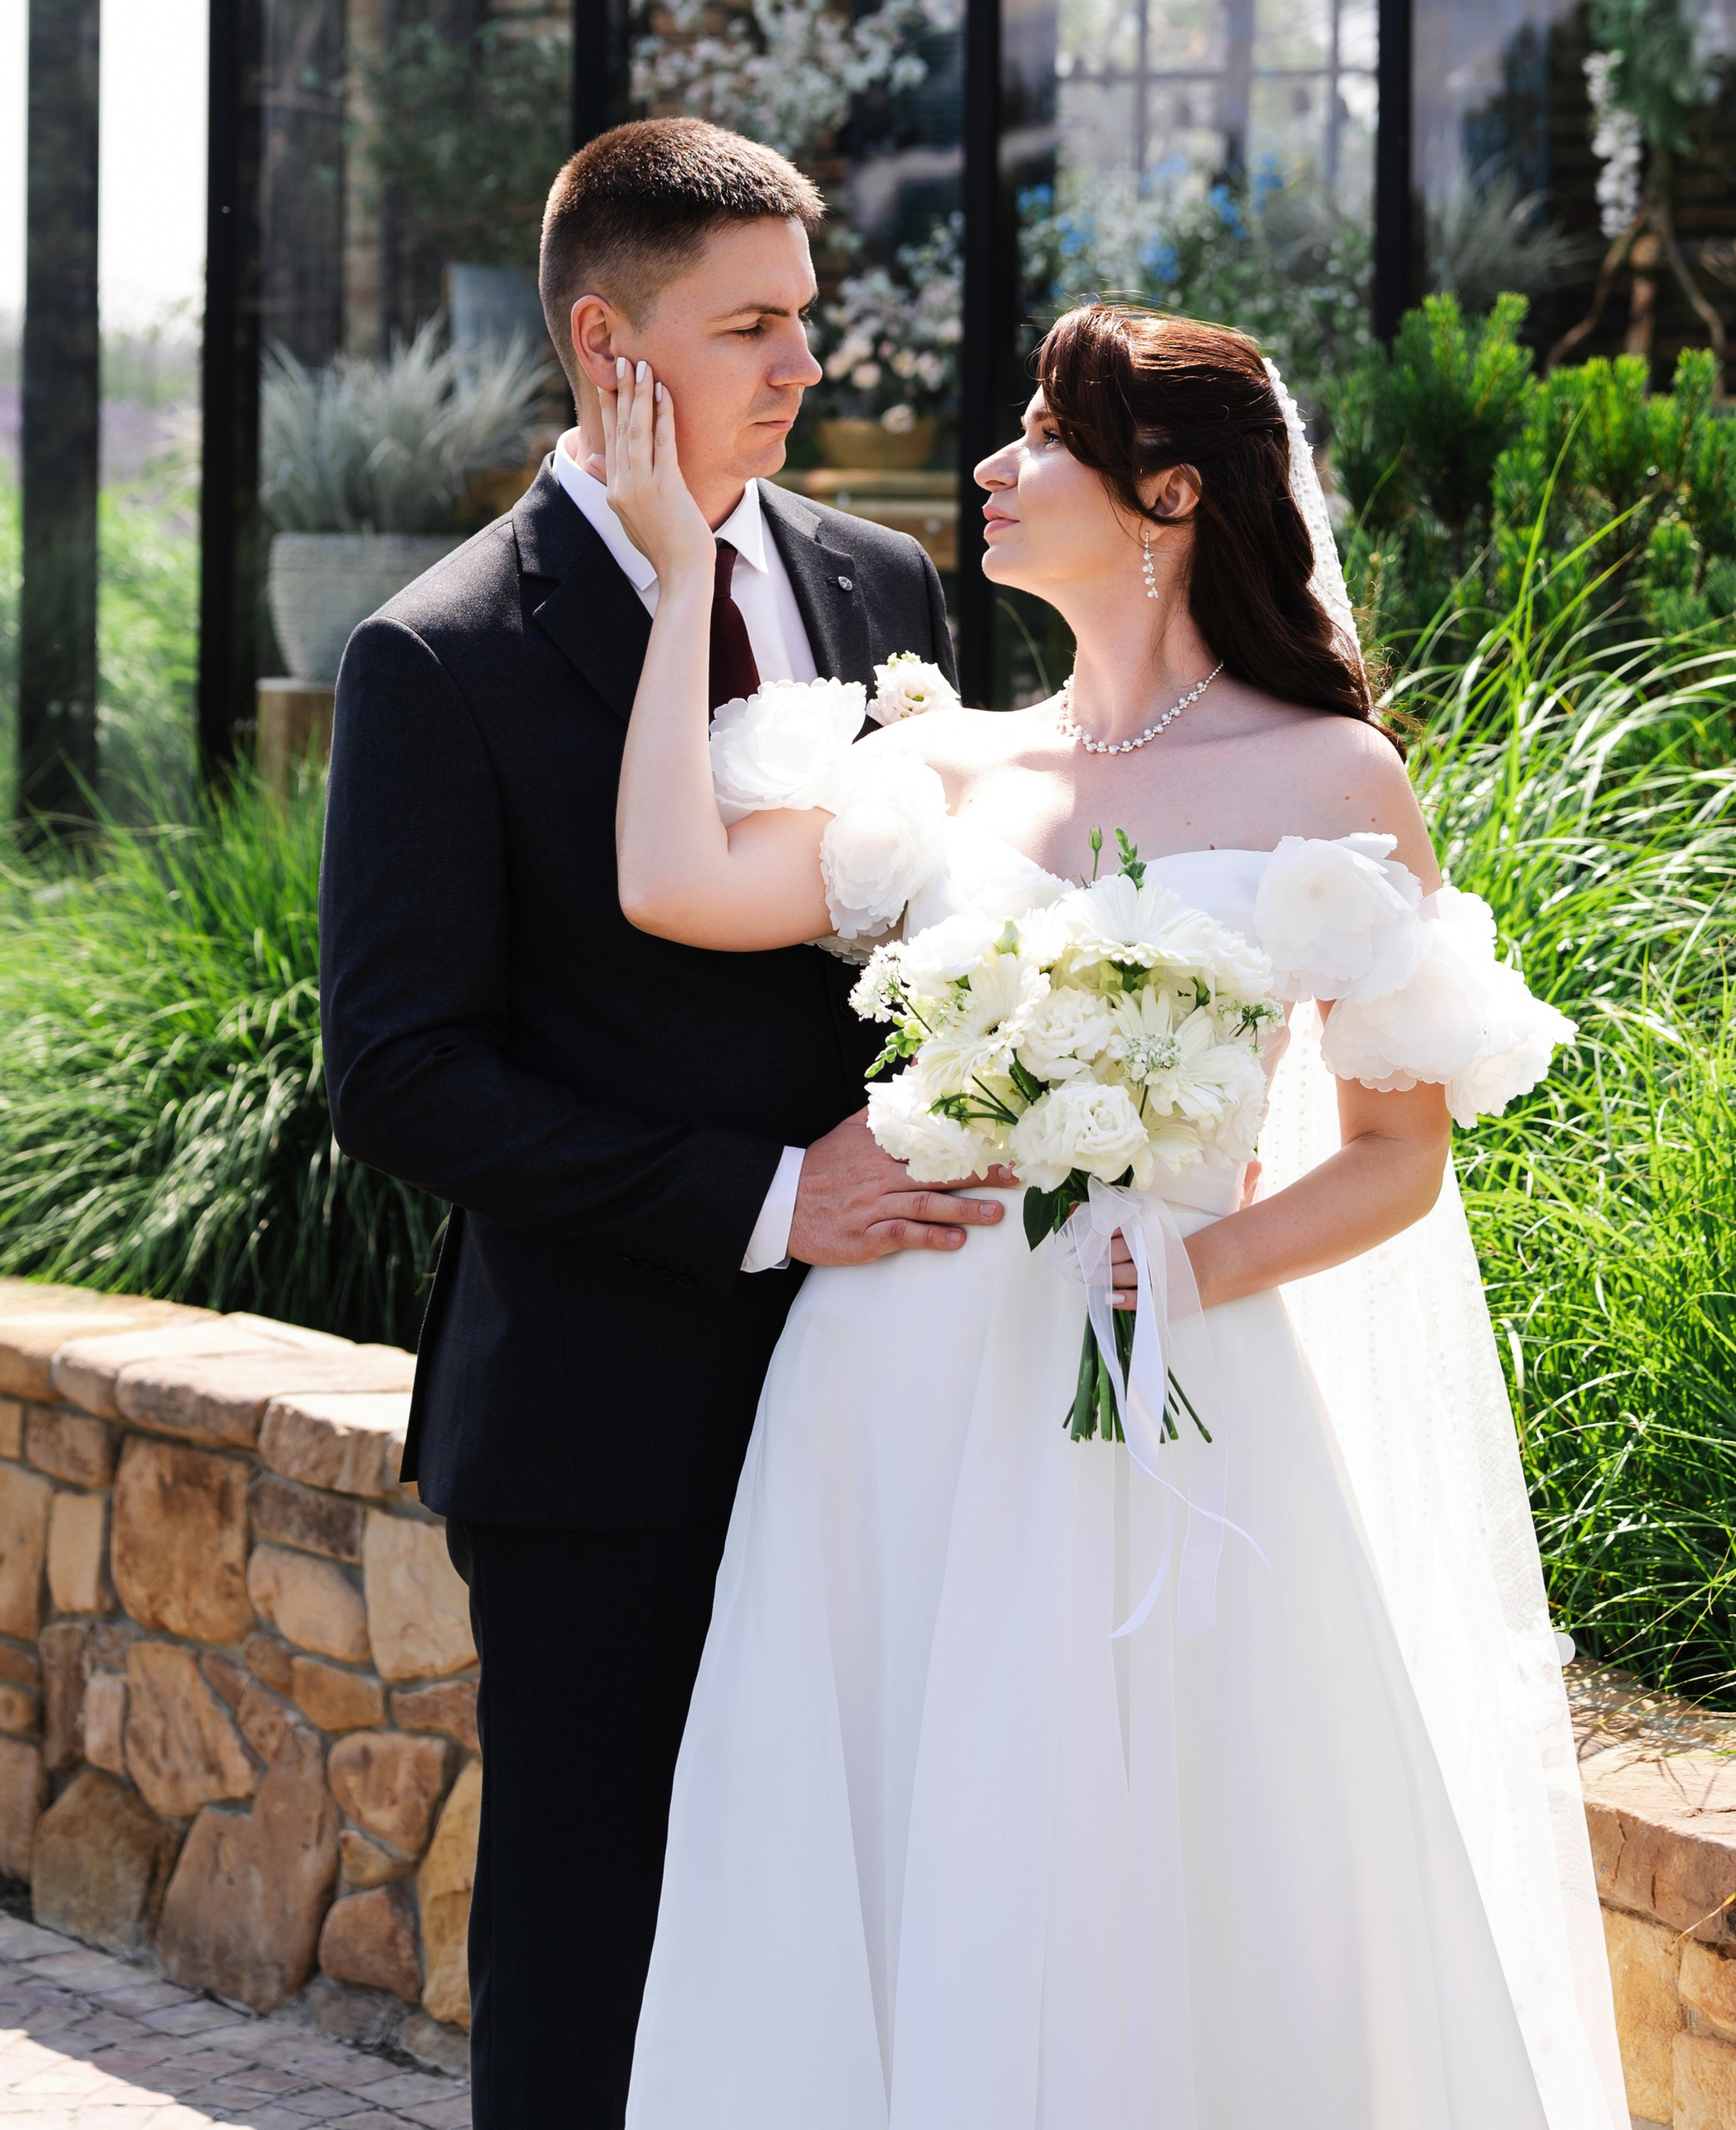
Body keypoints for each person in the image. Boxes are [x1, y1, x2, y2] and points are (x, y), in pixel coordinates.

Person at [606, 302, 1631, 2129]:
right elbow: (672, 881)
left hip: (1165, 1389)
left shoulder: (1329, 778)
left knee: (1166, 1858)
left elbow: (1400, 1152)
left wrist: (1193, 1261)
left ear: (1163, 492)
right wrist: (682, 576)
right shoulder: (936, 765)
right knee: (893, 1813)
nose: (992, 469)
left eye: (1038, 436)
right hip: (892, 1389)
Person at [319, 119, 975, 2130]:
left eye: (809, 319)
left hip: (889, 1388)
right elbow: (402, 1072)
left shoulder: (882, 582)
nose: (804, 370)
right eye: (752, 327)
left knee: (860, 1925)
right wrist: (769, 1197)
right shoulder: (443, 652)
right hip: (610, 1421)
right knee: (598, 1947)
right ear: (610, 344)